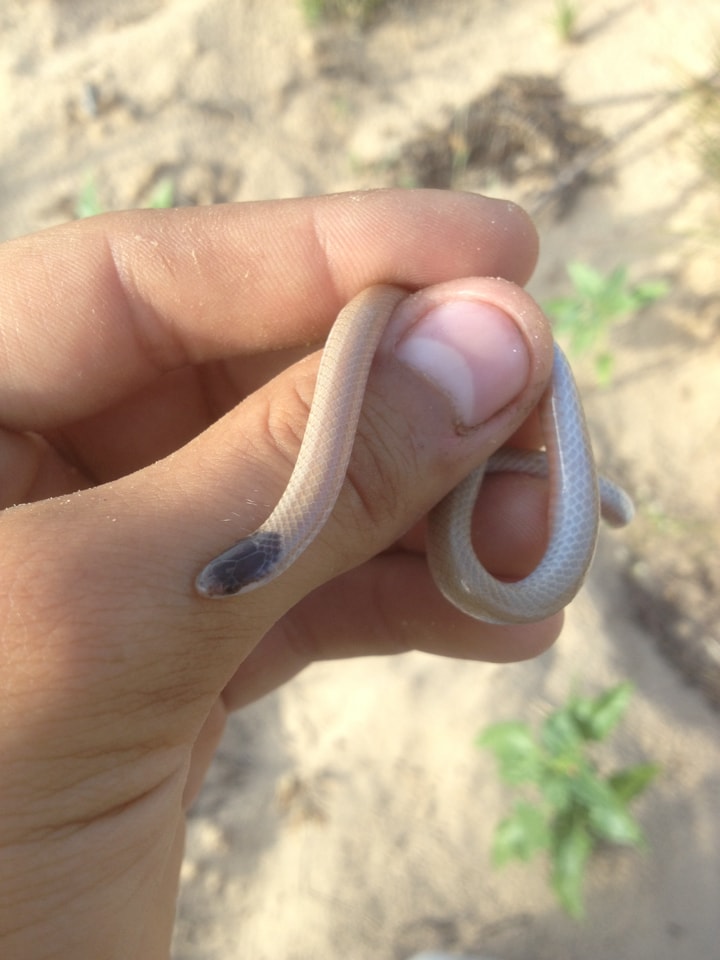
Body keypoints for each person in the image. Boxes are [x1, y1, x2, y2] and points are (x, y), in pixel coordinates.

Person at [0, 189, 561, 959]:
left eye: (224, 583)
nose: (212, 588)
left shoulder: (301, 510)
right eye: (224, 583)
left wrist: (402, 409)